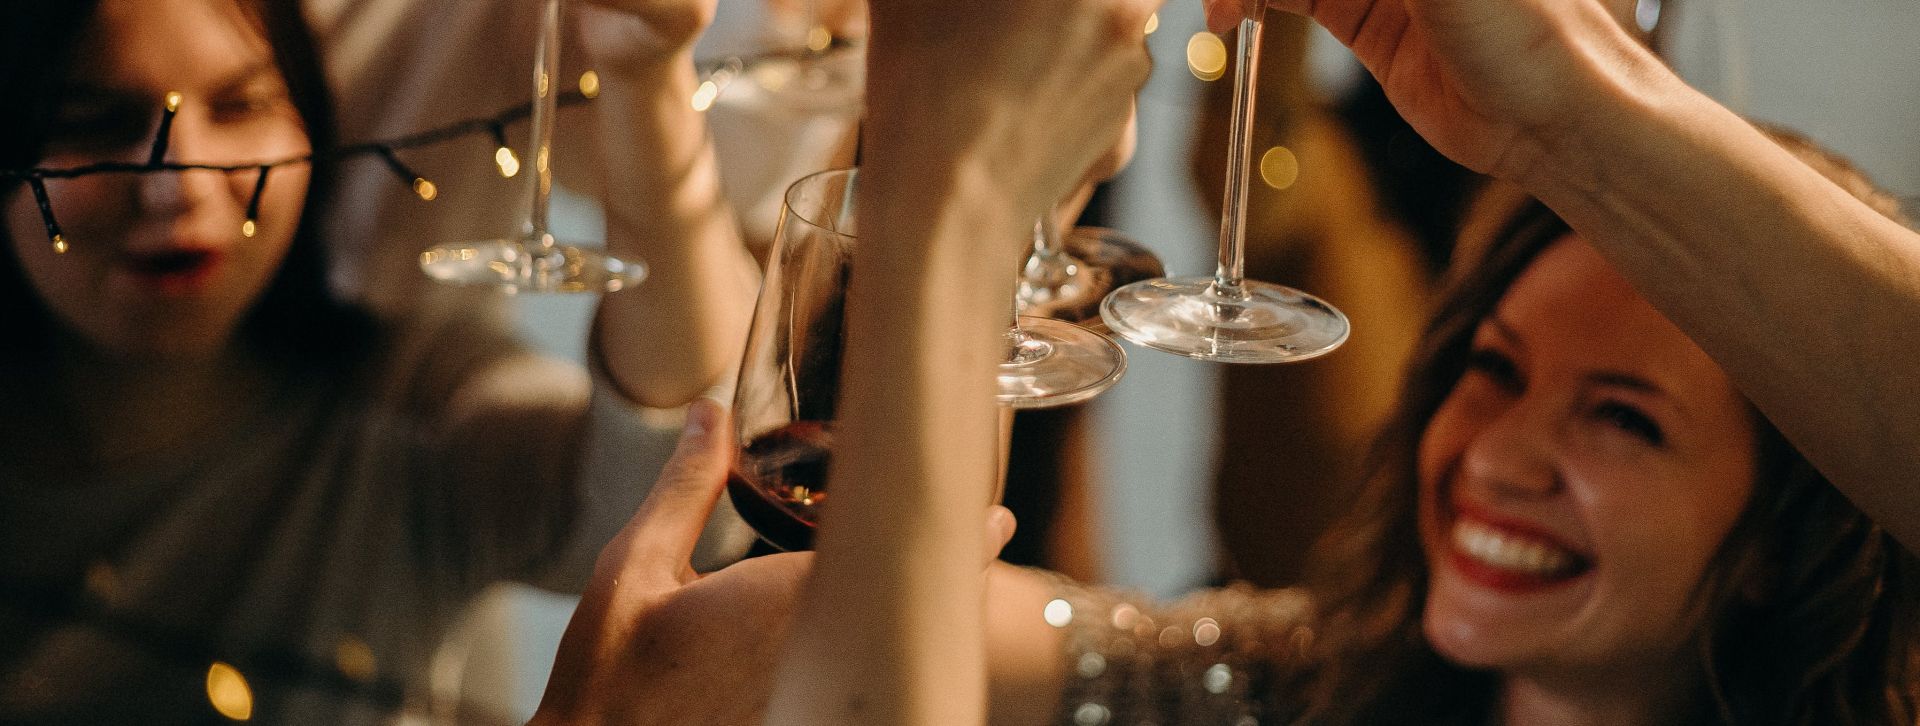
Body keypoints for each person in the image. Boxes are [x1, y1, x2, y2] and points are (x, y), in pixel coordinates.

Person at [523, 0, 1920, 724]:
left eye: (1623, 419)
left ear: (1793, 524)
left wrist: (959, 177)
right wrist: (993, 196)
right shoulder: (1291, 682)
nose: (1496, 450)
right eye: (1488, 369)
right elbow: (785, 651)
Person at [0, 0, 756, 722]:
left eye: (239, 107)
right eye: (96, 123)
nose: (180, 185)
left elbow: (678, 494)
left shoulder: (410, 406)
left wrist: (644, 75)